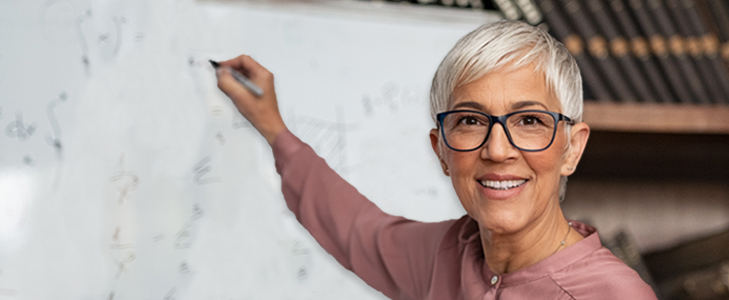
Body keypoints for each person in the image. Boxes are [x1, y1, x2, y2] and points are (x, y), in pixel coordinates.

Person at [215, 20, 656, 300]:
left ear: (572, 148)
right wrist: (273, 126)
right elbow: (354, 229)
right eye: (469, 120)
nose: (497, 150)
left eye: (529, 121)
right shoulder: (445, 256)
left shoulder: (611, 296)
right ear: (441, 150)